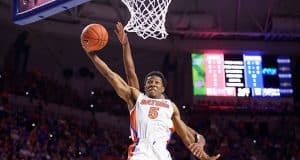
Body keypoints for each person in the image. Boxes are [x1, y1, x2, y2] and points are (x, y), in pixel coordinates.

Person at [83, 22, 220, 160]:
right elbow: (116, 74)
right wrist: (119, 46)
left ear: (163, 89)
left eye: (156, 82)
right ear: (145, 87)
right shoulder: (137, 98)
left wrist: (204, 154)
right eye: (149, 82)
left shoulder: (170, 107)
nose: (152, 84)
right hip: (140, 154)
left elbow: (190, 135)